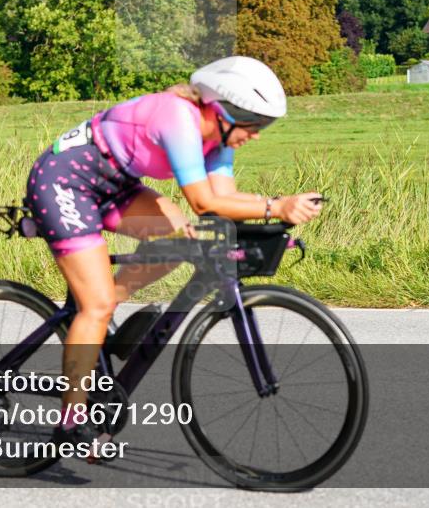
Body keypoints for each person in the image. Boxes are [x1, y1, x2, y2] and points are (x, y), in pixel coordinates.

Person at [24, 55, 325, 453]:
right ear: (222, 110)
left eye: (263, 125)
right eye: (254, 123)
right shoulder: (178, 118)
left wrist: (272, 218)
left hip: (115, 185)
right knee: (93, 306)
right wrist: (276, 206)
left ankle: (102, 323)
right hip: (65, 181)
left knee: (182, 238)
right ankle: (70, 422)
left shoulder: (218, 140)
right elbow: (203, 201)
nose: (257, 134)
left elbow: (225, 200)